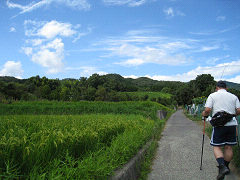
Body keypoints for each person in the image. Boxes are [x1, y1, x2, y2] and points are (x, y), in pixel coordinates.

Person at [202, 80, 240, 180]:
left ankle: (222, 167)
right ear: (226, 88)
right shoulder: (233, 96)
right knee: (228, 147)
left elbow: (207, 110)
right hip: (232, 124)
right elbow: (239, 110)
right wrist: (231, 116)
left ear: (217, 88)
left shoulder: (212, 95)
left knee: (217, 146)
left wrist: (204, 115)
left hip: (219, 125)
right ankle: (226, 166)